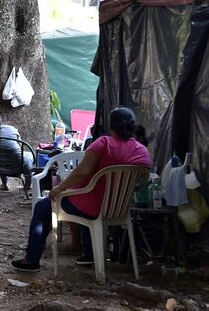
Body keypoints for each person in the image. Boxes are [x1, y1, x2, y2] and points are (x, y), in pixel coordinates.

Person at [10, 107, 152, 272]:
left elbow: (81, 173)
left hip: (93, 205)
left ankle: (31, 260)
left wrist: (59, 188)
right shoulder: (142, 151)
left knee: (43, 207)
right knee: (84, 200)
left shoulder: (104, 143)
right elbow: (142, 182)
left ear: (112, 126)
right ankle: (89, 255)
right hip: (119, 210)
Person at [0, 109, 33, 191]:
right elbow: (19, 145)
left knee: (1, 156)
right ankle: (28, 184)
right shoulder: (11, 129)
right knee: (28, 155)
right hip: (18, 165)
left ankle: (5, 184)